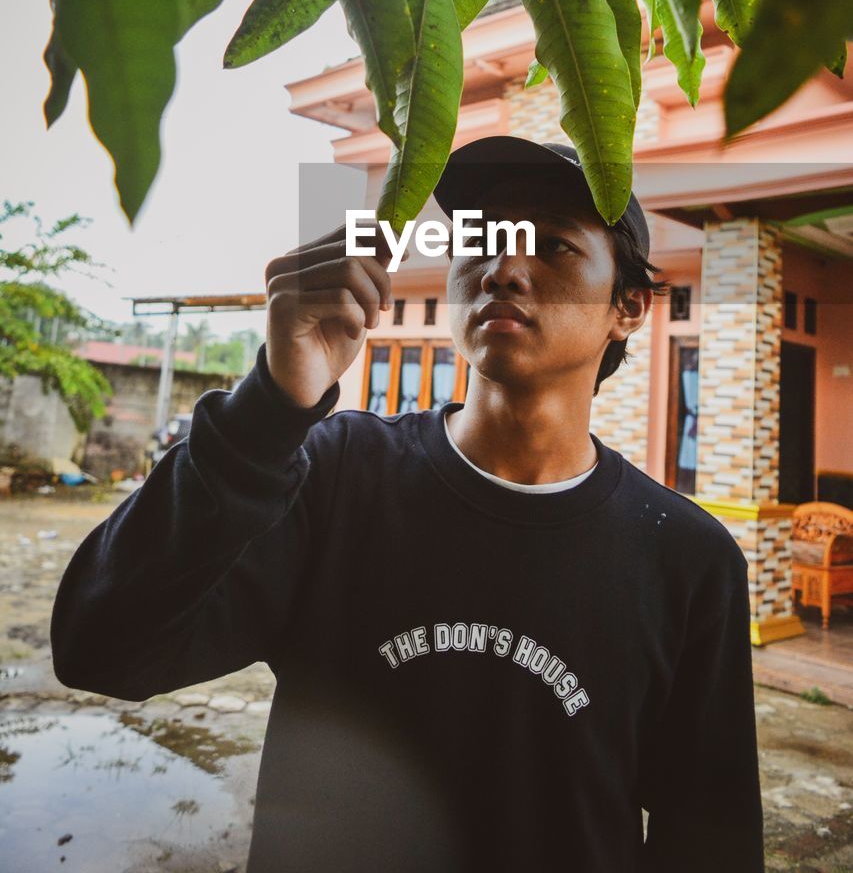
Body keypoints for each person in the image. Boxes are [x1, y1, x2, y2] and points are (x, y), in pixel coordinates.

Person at [51, 135, 764, 872]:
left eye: (552, 246)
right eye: (482, 239)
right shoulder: (334, 476)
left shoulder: (685, 558)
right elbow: (99, 650)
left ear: (628, 308)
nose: (504, 267)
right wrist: (267, 408)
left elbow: (708, 834)